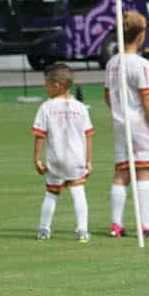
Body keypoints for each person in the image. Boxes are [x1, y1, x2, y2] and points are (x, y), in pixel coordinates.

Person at [103, 11, 149, 239]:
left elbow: (106, 95)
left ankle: (116, 225)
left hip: (120, 124)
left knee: (122, 171)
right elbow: (146, 100)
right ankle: (146, 224)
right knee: (144, 170)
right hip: (140, 124)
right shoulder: (141, 65)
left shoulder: (112, 63)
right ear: (140, 36)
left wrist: (119, 111)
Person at [31, 63, 93, 243]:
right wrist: (89, 160)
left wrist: (36, 159)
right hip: (76, 159)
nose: (45, 88)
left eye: (47, 85)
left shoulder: (46, 107)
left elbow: (39, 135)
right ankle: (82, 230)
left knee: (51, 194)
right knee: (78, 193)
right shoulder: (81, 107)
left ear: (57, 85)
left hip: (55, 160)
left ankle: (44, 229)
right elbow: (88, 135)